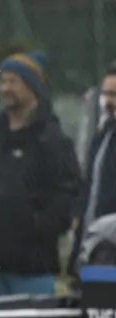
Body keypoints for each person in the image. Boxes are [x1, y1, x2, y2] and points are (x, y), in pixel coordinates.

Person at [0, 51, 80, 298]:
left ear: (33, 87)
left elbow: (66, 196)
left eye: (14, 81)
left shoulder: (52, 139)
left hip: (33, 269)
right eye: (3, 81)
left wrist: (35, 226)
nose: (5, 88)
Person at [70, 64, 116, 281]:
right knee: (98, 311)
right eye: (106, 94)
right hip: (97, 252)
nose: (108, 101)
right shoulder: (103, 134)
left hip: (110, 251)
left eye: (114, 94)